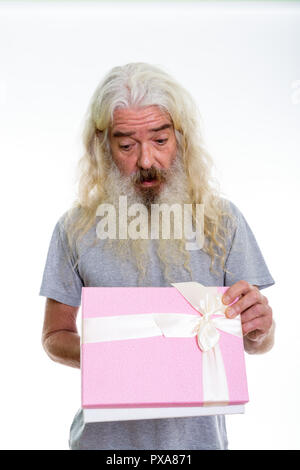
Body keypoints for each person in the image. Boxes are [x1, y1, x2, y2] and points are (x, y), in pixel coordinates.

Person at [39, 63, 275, 450]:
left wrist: (260, 326)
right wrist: (125, 357)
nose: (146, 161)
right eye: (127, 145)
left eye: (160, 141)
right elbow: (54, 336)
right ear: (103, 146)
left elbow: (256, 342)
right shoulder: (75, 228)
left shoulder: (223, 220)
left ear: (181, 138)